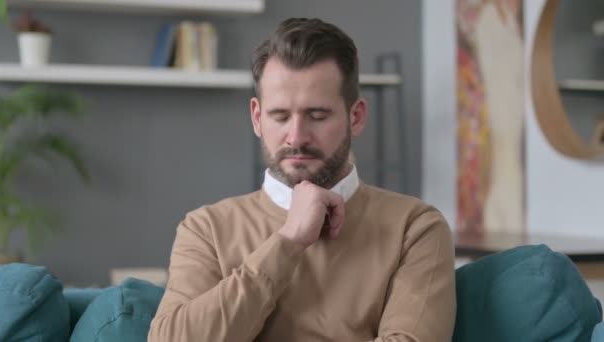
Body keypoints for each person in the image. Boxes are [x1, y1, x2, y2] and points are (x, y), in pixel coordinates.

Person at [148, 18, 456, 342]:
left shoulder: (416, 228)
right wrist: (289, 241)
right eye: (280, 116)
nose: (296, 136)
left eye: (317, 116)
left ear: (356, 116)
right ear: (257, 118)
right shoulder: (206, 229)